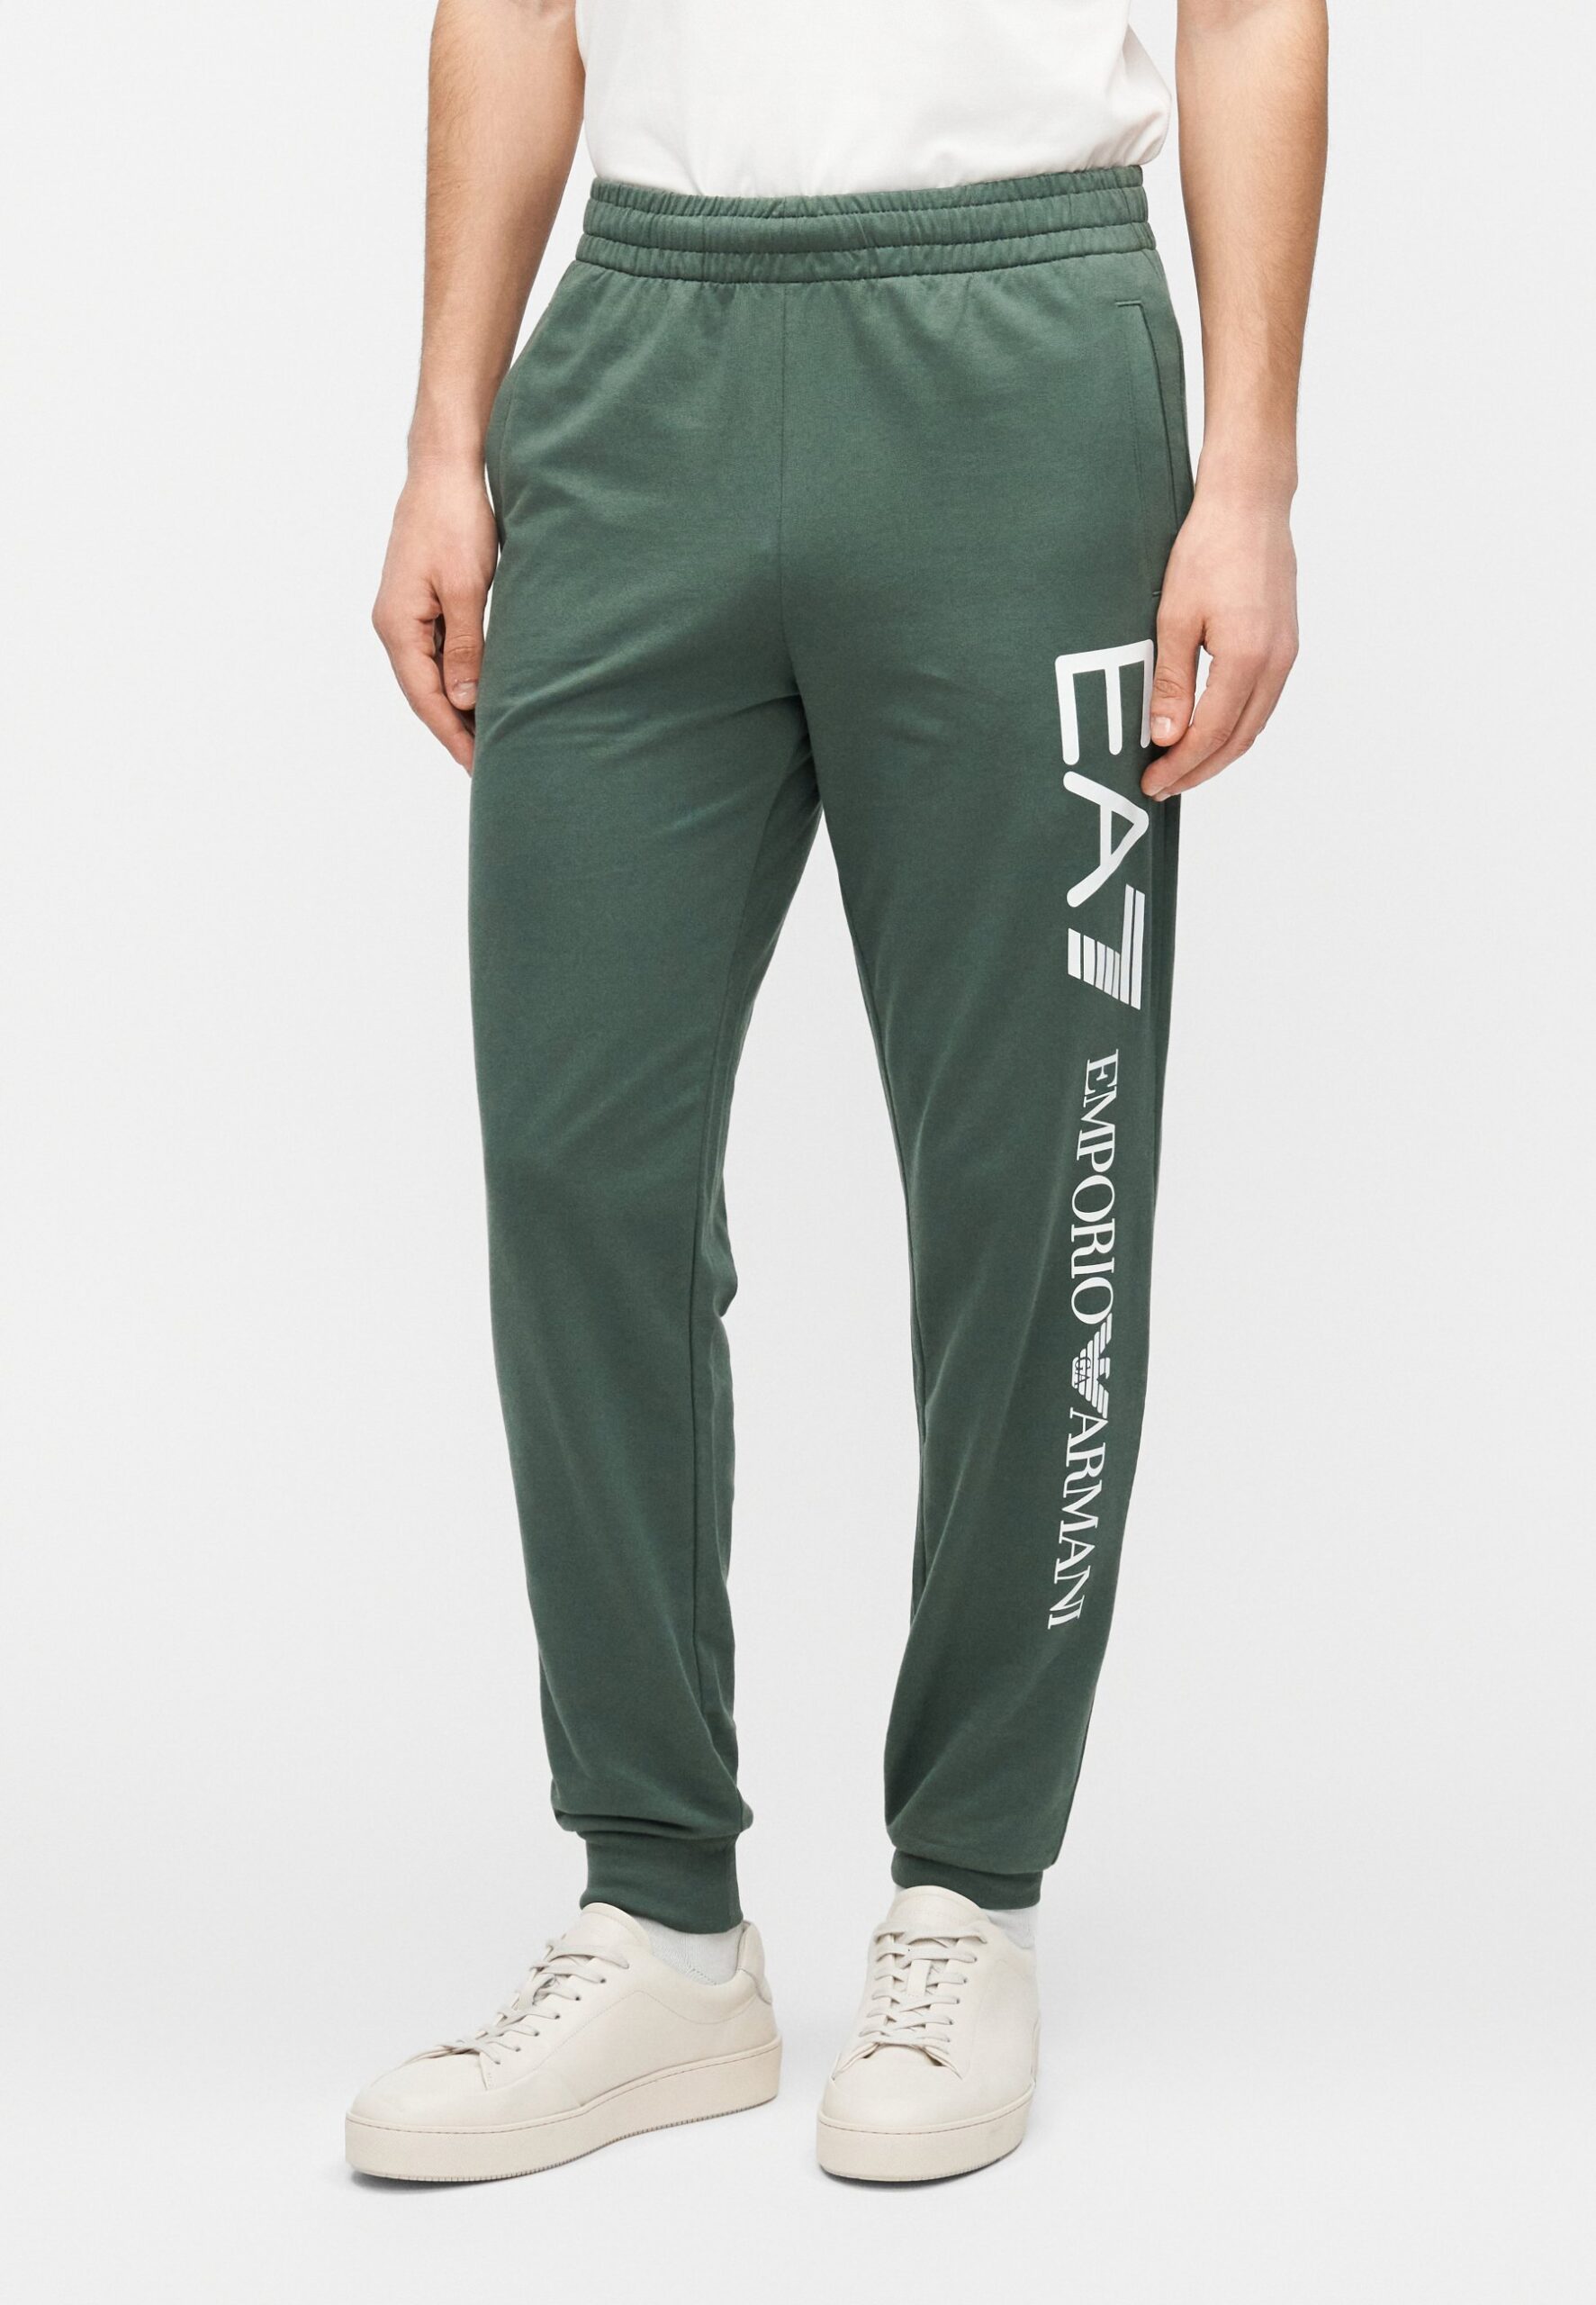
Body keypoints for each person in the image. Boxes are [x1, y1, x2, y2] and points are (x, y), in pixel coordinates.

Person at [350, 0, 1326, 2185]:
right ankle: (657, 1915)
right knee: (575, 1167)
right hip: (636, 355)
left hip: (1023, 361)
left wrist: (1247, 472)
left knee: (1031, 1182)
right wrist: (442, 433)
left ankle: (968, 1889)